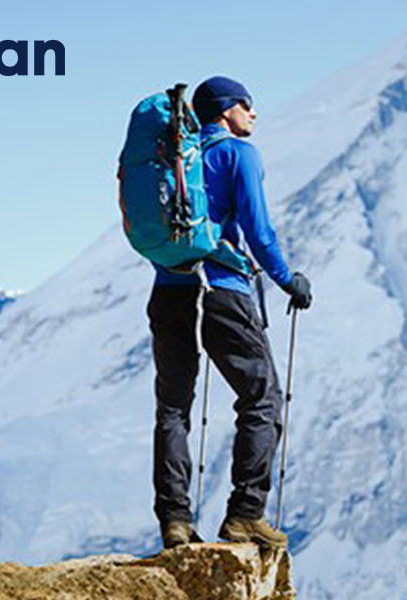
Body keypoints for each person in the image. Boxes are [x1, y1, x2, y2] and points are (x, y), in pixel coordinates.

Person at [147, 75, 313, 549]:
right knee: (262, 399)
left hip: (170, 290)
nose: (254, 113)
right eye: (247, 104)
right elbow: (259, 232)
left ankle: (175, 523)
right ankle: (245, 514)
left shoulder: (174, 156)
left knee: (174, 407)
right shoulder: (238, 154)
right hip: (222, 290)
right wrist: (288, 281)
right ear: (226, 110)